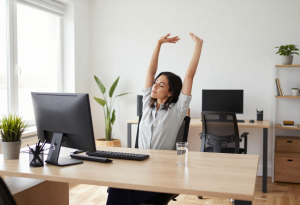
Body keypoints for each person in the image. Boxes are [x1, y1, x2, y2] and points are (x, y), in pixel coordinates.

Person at [106, 32, 204, 205]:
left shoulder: (177, 110)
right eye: (155, 82)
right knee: (117, 186)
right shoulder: (147, 104)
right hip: (139, 166)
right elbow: (150, 71)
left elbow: (189, 75)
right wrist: (158, 43)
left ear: (171, 92)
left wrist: (198, 45)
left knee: (124, 193)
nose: (155, 85)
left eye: (161, 85)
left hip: (162, 172)